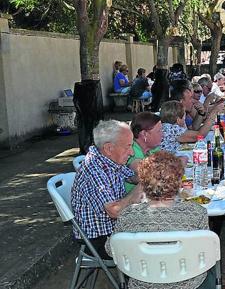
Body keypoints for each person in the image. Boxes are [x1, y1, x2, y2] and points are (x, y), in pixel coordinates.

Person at [106, 151, 216, 289]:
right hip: (191, 283)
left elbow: (111, 250)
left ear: (143, 184)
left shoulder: (128, 215)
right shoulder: (196, 213)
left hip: (144, 283)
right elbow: (206, 250)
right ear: (178, 182)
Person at [70, 120, 144, 258]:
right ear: (109, 148)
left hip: (116, 228)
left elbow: (131, 177)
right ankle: (141, 277)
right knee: (154, 238)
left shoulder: (108, 159)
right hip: (100, 239)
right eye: (128, 146)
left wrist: (152, 174)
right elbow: (114, 211)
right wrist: (141, 187)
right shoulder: (95, 170)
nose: (132, 152)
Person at [125, 112, 163, 192]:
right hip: (134, 201)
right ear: (144, 134)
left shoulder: (153, 148)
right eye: (159, 131)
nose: (162, 134)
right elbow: (145, 173)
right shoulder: (131, 150)